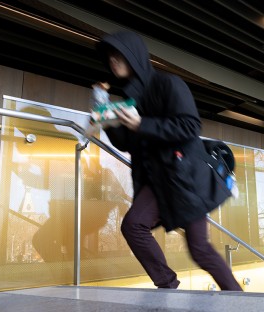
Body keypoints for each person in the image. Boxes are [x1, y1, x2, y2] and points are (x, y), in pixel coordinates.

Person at [95, 30, 242, 291]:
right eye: (109, 58)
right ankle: (168, 286)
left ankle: (240, 302)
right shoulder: (132, 100)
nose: (112, 62)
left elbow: (190, 126)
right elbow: (126, 143)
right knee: (134, 226)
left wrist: (142, 123)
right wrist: (106, 118)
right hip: (158, 181)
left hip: (185, 180)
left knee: (200, 250)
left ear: (134, 56)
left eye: (118, 55)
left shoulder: (168, 84)